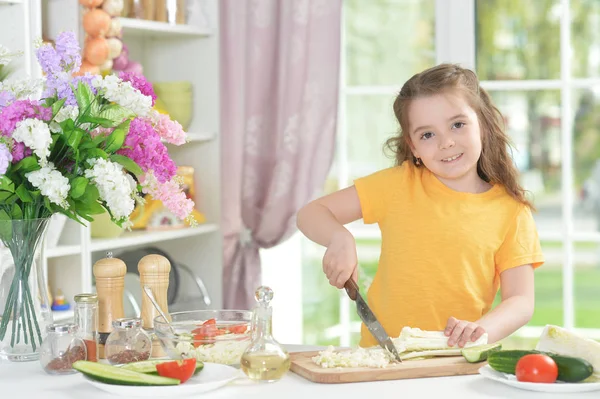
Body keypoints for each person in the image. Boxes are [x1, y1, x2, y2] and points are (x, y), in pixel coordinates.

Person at [296, 63, 544, 349]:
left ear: (484, 125)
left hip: (454, 360)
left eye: (457, 125)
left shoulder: (511, 212)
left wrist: (479, 329)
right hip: (381, 357)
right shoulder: (398, 184)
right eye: (427, 134)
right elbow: (311, 213)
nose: (446, 142)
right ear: (413, 146)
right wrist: (339, 237)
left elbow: (521, 301)